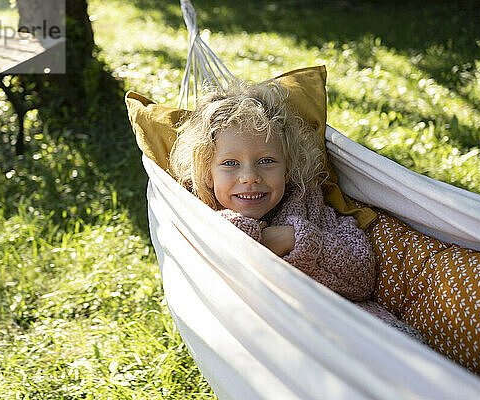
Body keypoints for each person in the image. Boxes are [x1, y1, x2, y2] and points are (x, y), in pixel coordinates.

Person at [169, 80, 426, 339]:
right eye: (230, 163)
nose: (249, 176)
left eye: (267, 161)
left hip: (353, 330)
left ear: (288, 168)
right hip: (283, 343)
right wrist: (249, 234)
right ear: (207, 173)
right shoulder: (197, 218)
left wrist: (291, 238)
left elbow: (360, 280)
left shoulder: (311, 207)